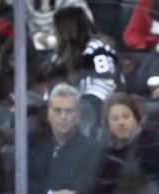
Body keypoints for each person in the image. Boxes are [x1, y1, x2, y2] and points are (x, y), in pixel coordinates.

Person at [45, 6, 122, 136]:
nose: (53, 32)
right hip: (66, 112)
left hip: (94, 112)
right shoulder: (58, 58)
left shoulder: (98, 49)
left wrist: (79, 106)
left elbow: (107, 85)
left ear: (65, 29)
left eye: (55, 27)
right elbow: (50, 91)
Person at [91, 92, 159, 194]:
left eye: (126, 117)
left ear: (136, 118)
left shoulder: (153, 143)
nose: (121, 122)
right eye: (115, 119)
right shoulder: (101, 150)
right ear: (108, 124)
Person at [27, 83, 101, 194]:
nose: (63, 116)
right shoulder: (32, 144)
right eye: (57, 110)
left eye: (68, 111)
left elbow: (85, 187)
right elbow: (21, 184)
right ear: (48, 113)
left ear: (78, 115)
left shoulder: (91, 150)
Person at [25, 0, 94, 51]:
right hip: (30, 53)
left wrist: (53, 41)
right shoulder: (22, 4)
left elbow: (86, 31)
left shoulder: (74, 3)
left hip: (70, 51)